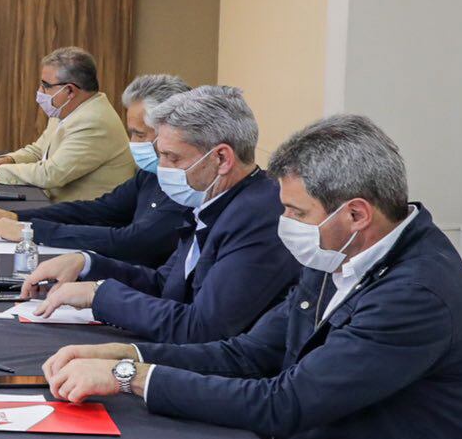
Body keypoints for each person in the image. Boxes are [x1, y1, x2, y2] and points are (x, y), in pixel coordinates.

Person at [44, 115, 462, 439]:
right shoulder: (339, 258)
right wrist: (131, 354)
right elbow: (249, 354)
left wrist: (131, 378)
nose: (286, 226)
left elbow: (285, 402)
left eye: (297, 212)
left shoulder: (416, 296)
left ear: (357, 215)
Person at [17, 85, 298, 343]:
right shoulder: (213, 200)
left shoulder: (258, 216)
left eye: (173, 158)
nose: (162, 167)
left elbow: (202, 328)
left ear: (221, 158)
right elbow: (166, 286)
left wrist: (98, 295)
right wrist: (87, 263)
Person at [0, 73, 193, 265]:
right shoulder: (151, 173)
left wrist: (30, 231)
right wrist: (17, 217)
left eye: (140, 134)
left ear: (171, 131)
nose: (133, 142)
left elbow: (133, 242)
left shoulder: (186, 185)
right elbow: (100, 211)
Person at [0, 46, 133, 202]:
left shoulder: (94, 122)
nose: (40, 92)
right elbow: (39, 151)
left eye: (46, 86)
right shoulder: (66, 110)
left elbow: (50, 174)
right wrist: (7, 159)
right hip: (58, 205)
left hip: (89, 220)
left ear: (70, 91)